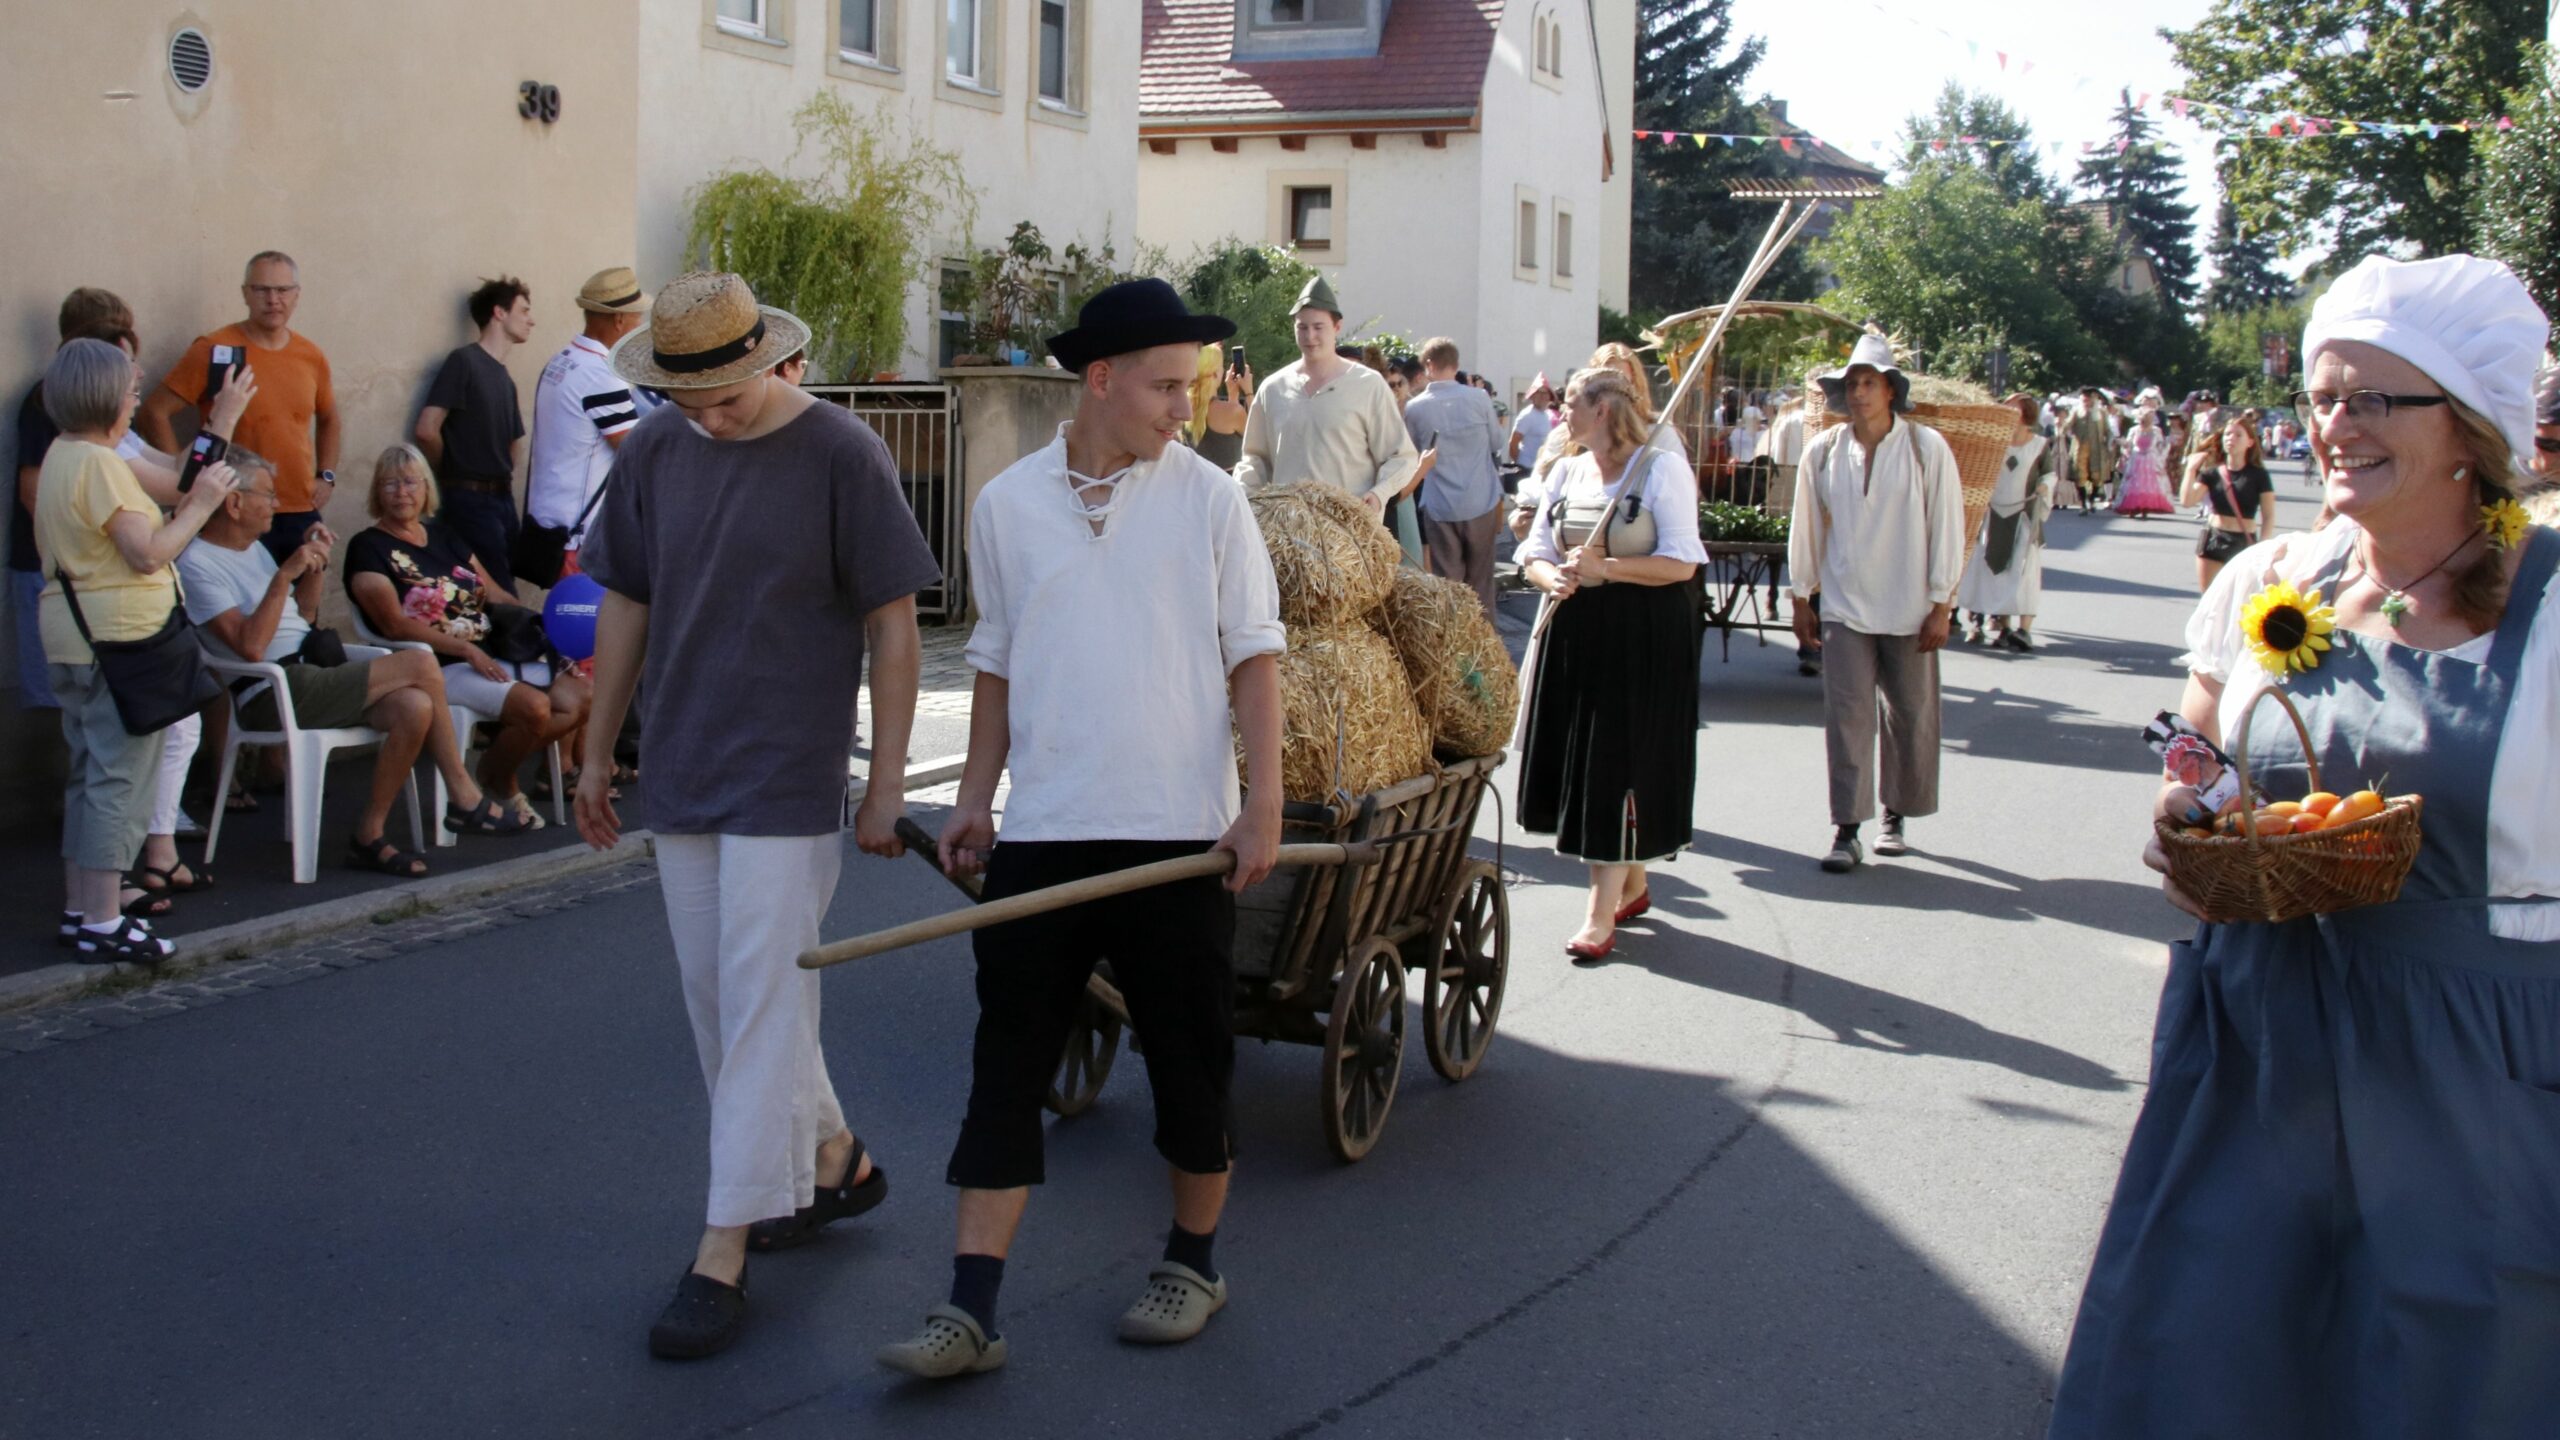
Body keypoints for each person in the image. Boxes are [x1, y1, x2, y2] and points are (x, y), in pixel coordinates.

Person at [2054, 253, 2560, 1439]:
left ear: (2466, 428)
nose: (2335, 425)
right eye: (2325, 395)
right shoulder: (2269, 579)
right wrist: (2190, 809)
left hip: (2469, 1061)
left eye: (2378, 398)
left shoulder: (2550, 610)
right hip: (2260, 1034)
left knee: (2446, 1372)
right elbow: (2199, 745)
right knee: (2212, 1356)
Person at [876, 277, 1284, 1380]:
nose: (1183, 408)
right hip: (1046, 833)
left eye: (1191, 387)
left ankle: (1193, 1260)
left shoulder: (1209, 500)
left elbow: (1254, 655)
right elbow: (999, 660)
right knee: (1004, 1068)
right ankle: (971, 1309)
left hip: (1176, 839)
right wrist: (972, 796)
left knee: (1192, 1065)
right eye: (1164, 386)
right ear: (1099, 379)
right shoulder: (1006, 504)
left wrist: (1262, 805)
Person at [571, 272, 937, 1361]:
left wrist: (885, 784)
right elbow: (626, 601)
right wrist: (596, 752)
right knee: (720, 1002)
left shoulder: (841, 453)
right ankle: (832, 1160)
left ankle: (721, 1246)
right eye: (690, 401)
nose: (711, 418)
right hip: (681, 761)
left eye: (727, 396)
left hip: (786, 769)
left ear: (768, 360)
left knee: (762, 1004)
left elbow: (894, 625)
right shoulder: (661, 455)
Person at [182, 449, 532, 879]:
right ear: (234, 504)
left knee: (414, 707)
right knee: (420, 665)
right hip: (273, 691)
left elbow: (304, 619)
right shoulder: (197, 562)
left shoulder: (251, 549)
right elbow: (251, 648)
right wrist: (283, 575)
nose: (276, 504)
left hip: (312, 672)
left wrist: (312, 567)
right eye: (268, 495)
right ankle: (463, 796)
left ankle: (369, 835)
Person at [33, 340, 239, 962]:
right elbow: (148, 549)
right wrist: (204, 507)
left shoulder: (70, 455)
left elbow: (179, 480)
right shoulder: (97, 464)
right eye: (130, 388)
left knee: (90, 778)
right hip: (119, 644)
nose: (135, 397)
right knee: (118, 783)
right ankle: (101, 920)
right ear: (104, 395)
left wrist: (220, 422)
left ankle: (83, 908)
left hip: (84, 639)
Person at [1513, 367, 1704, 964]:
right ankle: (1635, 883)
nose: (1560, 413)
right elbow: (1534, 554)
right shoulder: (1567, 471)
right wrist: (1557, 576)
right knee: (1597, 762)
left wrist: (1609, 570)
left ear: (1602, 410)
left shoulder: (1660, 470)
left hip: (1643, 637)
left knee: (1616, 762)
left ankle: (1599, 913)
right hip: (1576, 632)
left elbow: (1682, 563)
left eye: (1569, 404)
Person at [1787, 332, 1963, 872]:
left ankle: (1895, 814)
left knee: (1910, 714)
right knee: (1847, 716)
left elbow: (1947, 527)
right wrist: (1801, 596)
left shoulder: (1924, 447)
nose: (1860, 393)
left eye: (1870, 383)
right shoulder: (1822, 452)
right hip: (1845, 605)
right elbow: (1807, 527)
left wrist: (1941, 603)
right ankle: (1847, 829)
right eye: (1853, 384)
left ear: (1890, 391)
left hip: (1910, 606)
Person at [345, 445, 588, 825]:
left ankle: (491, 769)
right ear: (377, 492)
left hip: (491, 652)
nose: (401, 492)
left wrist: (547, 636)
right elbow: (392, 624)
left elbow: (495, 594)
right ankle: (503, 783)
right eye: (389, 484)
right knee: (535, 708)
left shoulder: (445, 538)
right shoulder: (369, 547)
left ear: (426, 489)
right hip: (435, 665)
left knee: (583, 694)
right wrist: (465, 650)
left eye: (410, 482)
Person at [138, 252, 340, 563]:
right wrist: (186, 482)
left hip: (298, 509)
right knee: (238, 610)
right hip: (230, 512)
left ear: (297, 295)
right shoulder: (215, 349)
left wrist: (325, 476)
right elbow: (154, 412)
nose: (273, 299)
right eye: (261, 290)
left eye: (283, 290)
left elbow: (329, 418)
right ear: (245, 293)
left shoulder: (311, 355)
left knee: (299, 609)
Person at [1234, 277, 1421, 565]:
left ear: (1337, 328)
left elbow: (1402, 457)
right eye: (1302, 327)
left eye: (1318, 327)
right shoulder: (1273, 389)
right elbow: (1255, 459)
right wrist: (1249, 504)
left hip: (1352, 544)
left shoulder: (1368, 385)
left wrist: (1378, 494)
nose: (1310, 336)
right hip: (1288, 546)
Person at [526, 267, 651, 582]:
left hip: (550, 522)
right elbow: (633, 451)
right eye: (637, 318)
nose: (639, 326)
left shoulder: (560, 361)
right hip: (579, 535)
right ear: (619, 320)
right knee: (584, 627)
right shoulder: (601, 376)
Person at [415, 276, 533, 595]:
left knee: (502, 586)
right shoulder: (464, 361)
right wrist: (450, 472)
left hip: (502, 500)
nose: (531, 320)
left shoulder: (505, 377)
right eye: (523, 310)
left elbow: (513, 447)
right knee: (497, 595)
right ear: (499, 313)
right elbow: (427, 429)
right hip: (470, 500)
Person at [1402, 337, 1508, 616]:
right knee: (1482, 582)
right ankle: (1486, 650)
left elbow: (1410, 455)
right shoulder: (1479, 398)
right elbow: (1497, 443)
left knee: (1449, 585)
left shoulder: (1415, 408)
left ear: (1427, 365)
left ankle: (1454, 649)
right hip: (1481, 499)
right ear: (1456, 364)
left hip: (1440, 504)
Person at [1956, 394, 2056, 651]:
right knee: (1993, 572)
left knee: (2024, 573)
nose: (2009, 413)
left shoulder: (2039, 445)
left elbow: (2049, 472)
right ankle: (2002, 625)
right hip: (1994, 514)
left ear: (2026, 415)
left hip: (2024, 514)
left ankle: (2025, 630)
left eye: (2014, 410)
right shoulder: (1995, 441)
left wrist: (2045, 486)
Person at [2180, 412, 2279, 592]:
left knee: (2241, 601)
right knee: (2210, 601)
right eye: (2227, 434)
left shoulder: (2259, 475)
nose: (2231, 438)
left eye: (2238, 434)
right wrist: (2190, 469)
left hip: (2243, 541)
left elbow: (2269, 516)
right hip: (2214, 538)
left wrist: (2262, 548)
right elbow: (2187, 501)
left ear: (2250, 442)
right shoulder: (2212, 473)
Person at [2113, 410, 2176, 517]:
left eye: (2148, 419)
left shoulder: (2156, 431)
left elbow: (2160, 445)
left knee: (2148, 484)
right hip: (2136, 459)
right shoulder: (2134, 430)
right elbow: (2129, 444)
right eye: (2143, 419)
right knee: (2134, 483)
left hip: (2150, 460)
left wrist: (2167, 444)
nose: (2145, 421)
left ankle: (2145, 508)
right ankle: (2132, 508)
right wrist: (2121, 443)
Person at [2064, 386, 2115, 514]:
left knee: (2097, 477)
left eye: (2090, 399)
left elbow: (2108, 431)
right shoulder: (2077, 411)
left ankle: (2091, 501)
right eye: (2085, 399)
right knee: (2080, 476)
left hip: (2097, 450)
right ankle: (2083, 504)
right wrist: (2061, 428)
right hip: (2080, 449)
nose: (2088, 402)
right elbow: (2067, 426)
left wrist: (2110, 443)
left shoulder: (2101, 413)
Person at [1508, 373, 1557, 470]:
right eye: (1538, 392)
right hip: (1526, 468)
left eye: (1544, 393)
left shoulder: (1546, 415)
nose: (1542, 396)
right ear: (1533, 396)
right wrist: (1520, 464)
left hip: (1538, 468)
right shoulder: (1527, 415)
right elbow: (1513, 442)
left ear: (1549, 396)